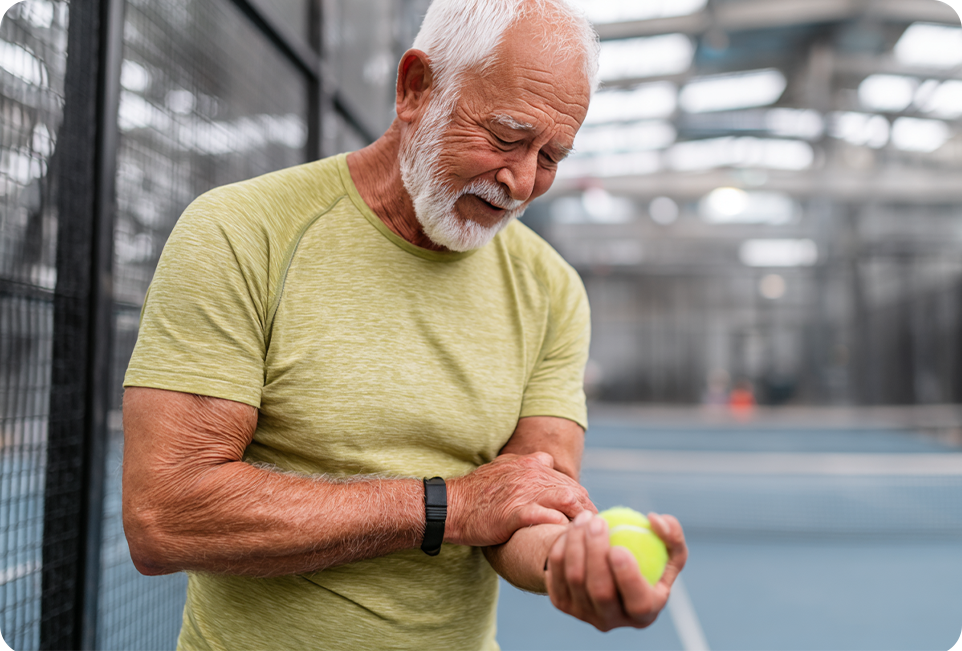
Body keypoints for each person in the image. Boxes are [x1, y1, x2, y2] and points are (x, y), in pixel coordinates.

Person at [121, 1, 688, 649]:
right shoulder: (240, 232)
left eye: (551, 155)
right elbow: (164, 516)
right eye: (506, 137)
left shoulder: (551, 288)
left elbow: (524, 506)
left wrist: (573, 560)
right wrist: (447, 506)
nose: (522, 181)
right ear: (416, 87)